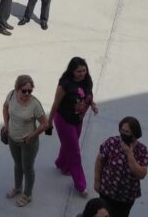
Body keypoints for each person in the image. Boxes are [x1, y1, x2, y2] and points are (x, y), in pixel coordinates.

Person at [48, 57, 99, 196]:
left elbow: (87, 95)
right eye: (78, 71)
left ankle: (61, 164)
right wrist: (49, 122)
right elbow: (55, 104)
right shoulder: (65, 84)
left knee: (69, 145)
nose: (82, 73)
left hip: (78, 120)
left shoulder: (87, 81)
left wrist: (92, 105)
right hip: (64, 121)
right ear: (72, 71)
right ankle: (80, 184)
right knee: (75, 152)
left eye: (84, 70)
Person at [1, 74, 48, 207]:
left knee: (27, 168)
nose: (27, 93)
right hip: (12, 139)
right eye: (24, 90)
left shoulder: (34, 104)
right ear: (17, 89)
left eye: (30, 91)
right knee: (17, 165)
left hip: (28, 143)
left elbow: (45, 124)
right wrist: (6, 124)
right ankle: (17, 188)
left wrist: (32, 135)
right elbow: (5, 107)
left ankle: (27, 194)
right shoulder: (11, 95)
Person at [94, 117, 148, 217]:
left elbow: (141, 174)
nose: (123, 134)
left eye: (127, 132)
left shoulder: (142, 150)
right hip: (107, 190)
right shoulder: (112, 142)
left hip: (126, 196)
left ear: (134, 134)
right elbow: (99, 160)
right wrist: (97, 181)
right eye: (122, 130)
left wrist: (129, 154)